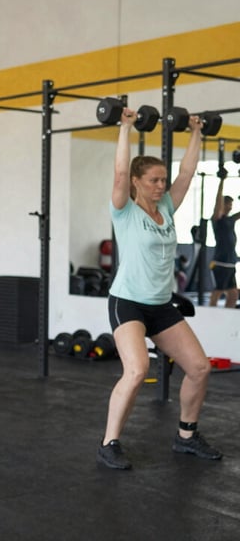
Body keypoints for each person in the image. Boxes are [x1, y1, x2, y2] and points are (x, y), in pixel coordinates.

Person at [97, 110, 222, 470]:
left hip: (162, 306)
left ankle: (186, 436)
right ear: (136, 182)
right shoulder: (123, 211)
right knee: (136, 370)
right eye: (153, 180)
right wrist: (124, 127)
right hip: (128, 304)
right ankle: (109, 443)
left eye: (162, 180)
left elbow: (187, 172)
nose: (160, 186)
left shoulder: (166, 207)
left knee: (199, 368)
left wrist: (197, 131)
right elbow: (119, 171)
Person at [208, 177, 239, 308]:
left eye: (231, 204)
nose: (230, 206)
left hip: (230, 262)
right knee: (218, 291)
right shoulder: (217, 219)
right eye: (227, 203)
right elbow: (217, 202)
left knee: (233, 294)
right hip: (220, 262)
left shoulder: (230, 219)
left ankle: (226, 319)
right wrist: (222, 181)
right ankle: (211, 318)